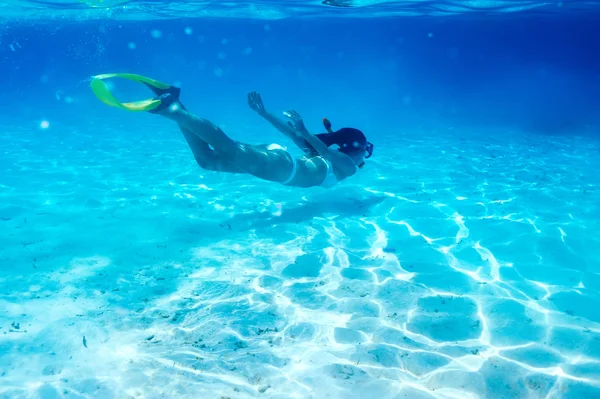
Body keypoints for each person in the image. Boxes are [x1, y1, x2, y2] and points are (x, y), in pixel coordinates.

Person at [90, 73, 374, 188]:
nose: (367, 154)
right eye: (366, 148)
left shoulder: (335, 158)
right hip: (282, 168)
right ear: (353, 149)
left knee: (207, 161)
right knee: (226, 147)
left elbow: (292, 137)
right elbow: (315, 145)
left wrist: (265, 114)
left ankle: (176, 104)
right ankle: (170, 109)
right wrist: (268, 116)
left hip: (281, 161)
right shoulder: (349, 165)